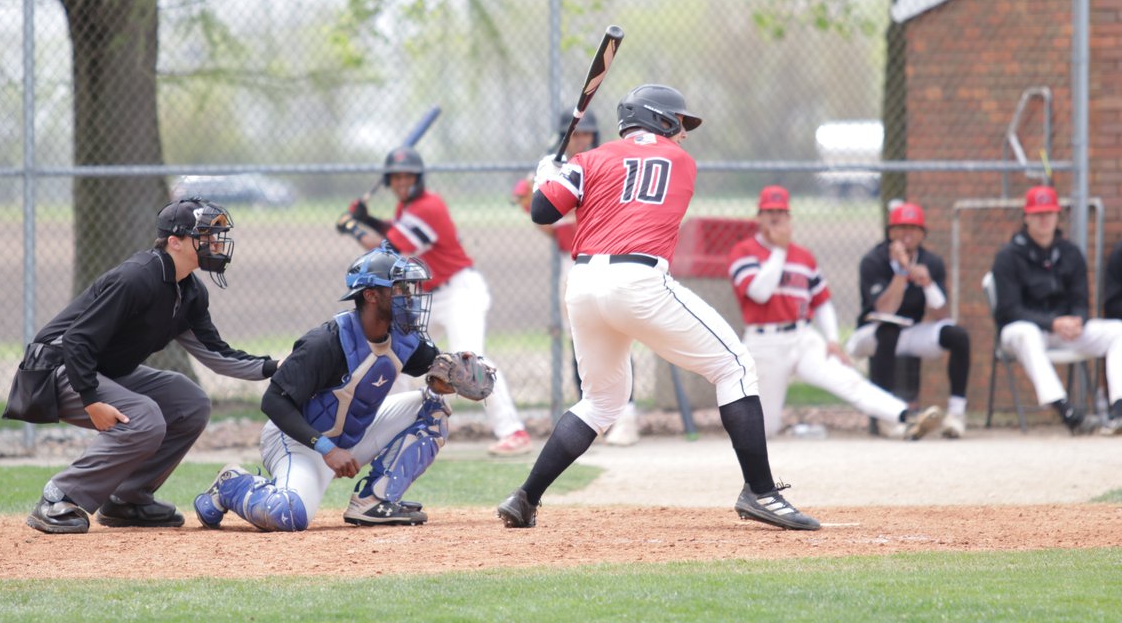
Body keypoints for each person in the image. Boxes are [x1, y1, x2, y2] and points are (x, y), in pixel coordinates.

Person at [497, 84, 819, 532]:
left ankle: (525, 497)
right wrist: (563, 171)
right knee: (736, 368)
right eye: (679, 123)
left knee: (600, 401)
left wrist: (549, 174)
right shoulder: (683, 163)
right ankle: (761, 492)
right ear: (660, 121)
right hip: (638, 281)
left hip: (585, 285)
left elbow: (542, 212)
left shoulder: (588, 160)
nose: (684, 134)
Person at [18, 198, 279, 534]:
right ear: (175, 241)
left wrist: (276, 367)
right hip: (54, 371)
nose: (216, 243)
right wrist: (91, 399)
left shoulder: (189, 292)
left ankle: (128, 498)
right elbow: (76, 341)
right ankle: (58, 497)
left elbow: (218, 354)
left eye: (217, 235)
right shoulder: (137, 278)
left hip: (98, 371)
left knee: (190, 403)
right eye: (206, 236)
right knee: (145, 417)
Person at [194, 243, 455, 530]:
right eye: (399, 289)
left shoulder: (405, 338)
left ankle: (374, 501)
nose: (409, 296)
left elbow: (438, 372)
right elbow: (273, 402)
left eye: (409, 288)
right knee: (288, 513)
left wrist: (458, 374)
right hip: (299, 441)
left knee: (433, 406)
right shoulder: (326, 341)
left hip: (352, 438)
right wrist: (327, 449)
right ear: (370, 295)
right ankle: (233, 484)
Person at [337, 147, 532, 456]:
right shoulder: (407, 210)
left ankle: (513, 432)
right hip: (429, 297)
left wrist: (353, 225)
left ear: (419, 178)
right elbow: (395, 232)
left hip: (459, 293)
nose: (402, 182)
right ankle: (391, 431)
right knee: (396, 361)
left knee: (471, 363)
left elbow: (386, 249)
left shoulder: (429, 206)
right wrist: (370, 218)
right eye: (396, 177)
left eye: (408, 176)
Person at [728, 186, 943, 440]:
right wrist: (780, 250)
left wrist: (831, 339)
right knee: (764, 429)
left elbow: (822, 301)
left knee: (849, 380)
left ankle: (906, 416)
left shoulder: (803, 256)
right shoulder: (743, 251)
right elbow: (760, 293)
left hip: (802, 336)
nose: (775, 217)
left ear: (789, 217)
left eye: (781, 212)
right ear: (759, 216)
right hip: (764, 341)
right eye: (769, 211)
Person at [511, 109, 640, 447]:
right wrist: (536, 192)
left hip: (608, 260)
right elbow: (544, 221)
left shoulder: (599, 165)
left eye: (587, 135)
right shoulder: (557, 169)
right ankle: (593, 415)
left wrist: (554, 192)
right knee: (579, 340)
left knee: (618, 335)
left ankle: (626, 415)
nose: (583, 139)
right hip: (572, 267)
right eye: (577, 135)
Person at [991, 185, 1122, 435]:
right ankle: (1066, 411)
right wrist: (1052, 323)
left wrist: (1077, 320)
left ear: (1057, 216)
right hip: (1025, 333)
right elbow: (1009, 310)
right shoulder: (1008, 256)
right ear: (1026, 217)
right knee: (1024, 332)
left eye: (1049, 213)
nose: (1044, 220)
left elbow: (1080, 300)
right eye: (1038, 214)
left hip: (1066, 332)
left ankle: (1120, 411)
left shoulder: (1070, 253)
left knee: (1119, 330)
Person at [846, 201, 970, 438]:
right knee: (889, 331)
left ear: (922, 234)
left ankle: (956, 415)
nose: (907, 234)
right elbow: (885, 309)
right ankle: (887, 417)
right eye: (901, 228)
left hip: (912, 330)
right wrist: (901, 273)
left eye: (913, 228)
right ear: (890, 232)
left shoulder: (931, 262)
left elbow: (943, 314)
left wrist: (928, 284)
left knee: (957, 335)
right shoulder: (874, 260)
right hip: (871, 333)